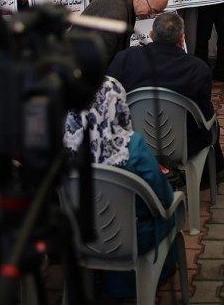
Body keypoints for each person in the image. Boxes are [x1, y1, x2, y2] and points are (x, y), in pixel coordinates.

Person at [63, 75, 177, 299]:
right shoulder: (132, 147)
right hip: (130, 237)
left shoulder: (60, 148)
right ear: (119, 106)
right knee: (170, 213)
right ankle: (151, 277)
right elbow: (164, 198)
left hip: (77, 233)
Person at [106, 12, 224, 185]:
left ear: (151, 35)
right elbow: (204, 115)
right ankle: (210, 176)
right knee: (211, 123)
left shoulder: (125, 58)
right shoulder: (197, 68)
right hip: (184, 145)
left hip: (134, 139)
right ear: (182, 39)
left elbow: (109, 95)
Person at [71, 0, 169, 64]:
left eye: (157, 13)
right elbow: (102, 61)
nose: (152, 16)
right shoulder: (116, 17)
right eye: (152, 10)